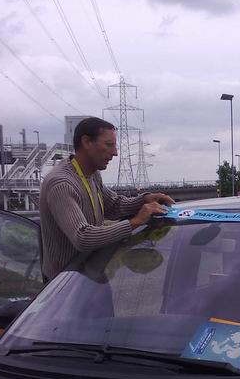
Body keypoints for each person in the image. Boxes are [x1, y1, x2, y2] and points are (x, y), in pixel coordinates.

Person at [40, 117, 174, 280]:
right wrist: (135, 222)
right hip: (65, 286)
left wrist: (145, 199)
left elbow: (114, 206)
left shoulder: (92, 174)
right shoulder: (61, 184)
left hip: (91, 274)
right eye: (109, 145)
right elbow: (83, 237)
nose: (115, 152)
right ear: (87, 142)